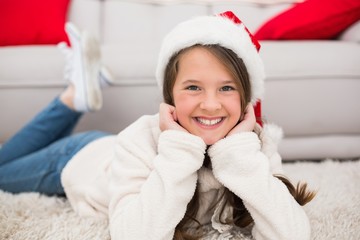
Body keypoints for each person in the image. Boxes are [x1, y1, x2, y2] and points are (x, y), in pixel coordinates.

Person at [0, 11, 315, 240]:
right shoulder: (140, 138)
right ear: (170, 98)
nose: (210, 104)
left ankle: (78, 97)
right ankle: (71, 100)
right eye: (193, 88)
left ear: (247, 99)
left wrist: (238, 156)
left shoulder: (254, 145)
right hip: (77, 160)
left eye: (227, 88)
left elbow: (292, 234)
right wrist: (180, 152)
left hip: (111, 151)